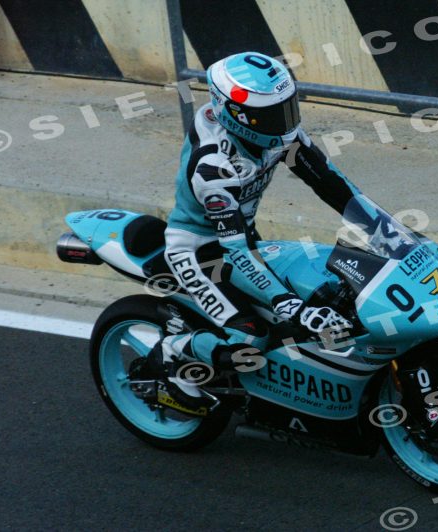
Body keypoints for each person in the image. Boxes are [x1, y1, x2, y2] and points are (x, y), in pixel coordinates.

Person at [148, 51, 357, 410]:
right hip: (200, 251)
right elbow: (235, 252)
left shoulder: (274, 135)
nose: (285, 121)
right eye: (274, 114)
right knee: (252, 340)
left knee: (324, 290)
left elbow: (331, 183)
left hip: (243, 238)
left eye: (288, 107)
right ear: (237, 113)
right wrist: (291, 306)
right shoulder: (213, 167)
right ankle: (173, 353)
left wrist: (389, 229)